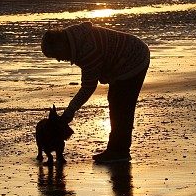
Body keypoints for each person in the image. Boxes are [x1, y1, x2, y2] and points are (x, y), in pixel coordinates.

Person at [40, 22, 150, 163]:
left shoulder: (88, 50)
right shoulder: (75, 39)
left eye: (56, 55)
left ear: (60, 45)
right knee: (116, 101)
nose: (59, 59)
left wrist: (70, 111)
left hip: (134, 60)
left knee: (122, 105)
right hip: (127, 57)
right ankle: (116, 149)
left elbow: (88, 87)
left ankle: (120, 151)